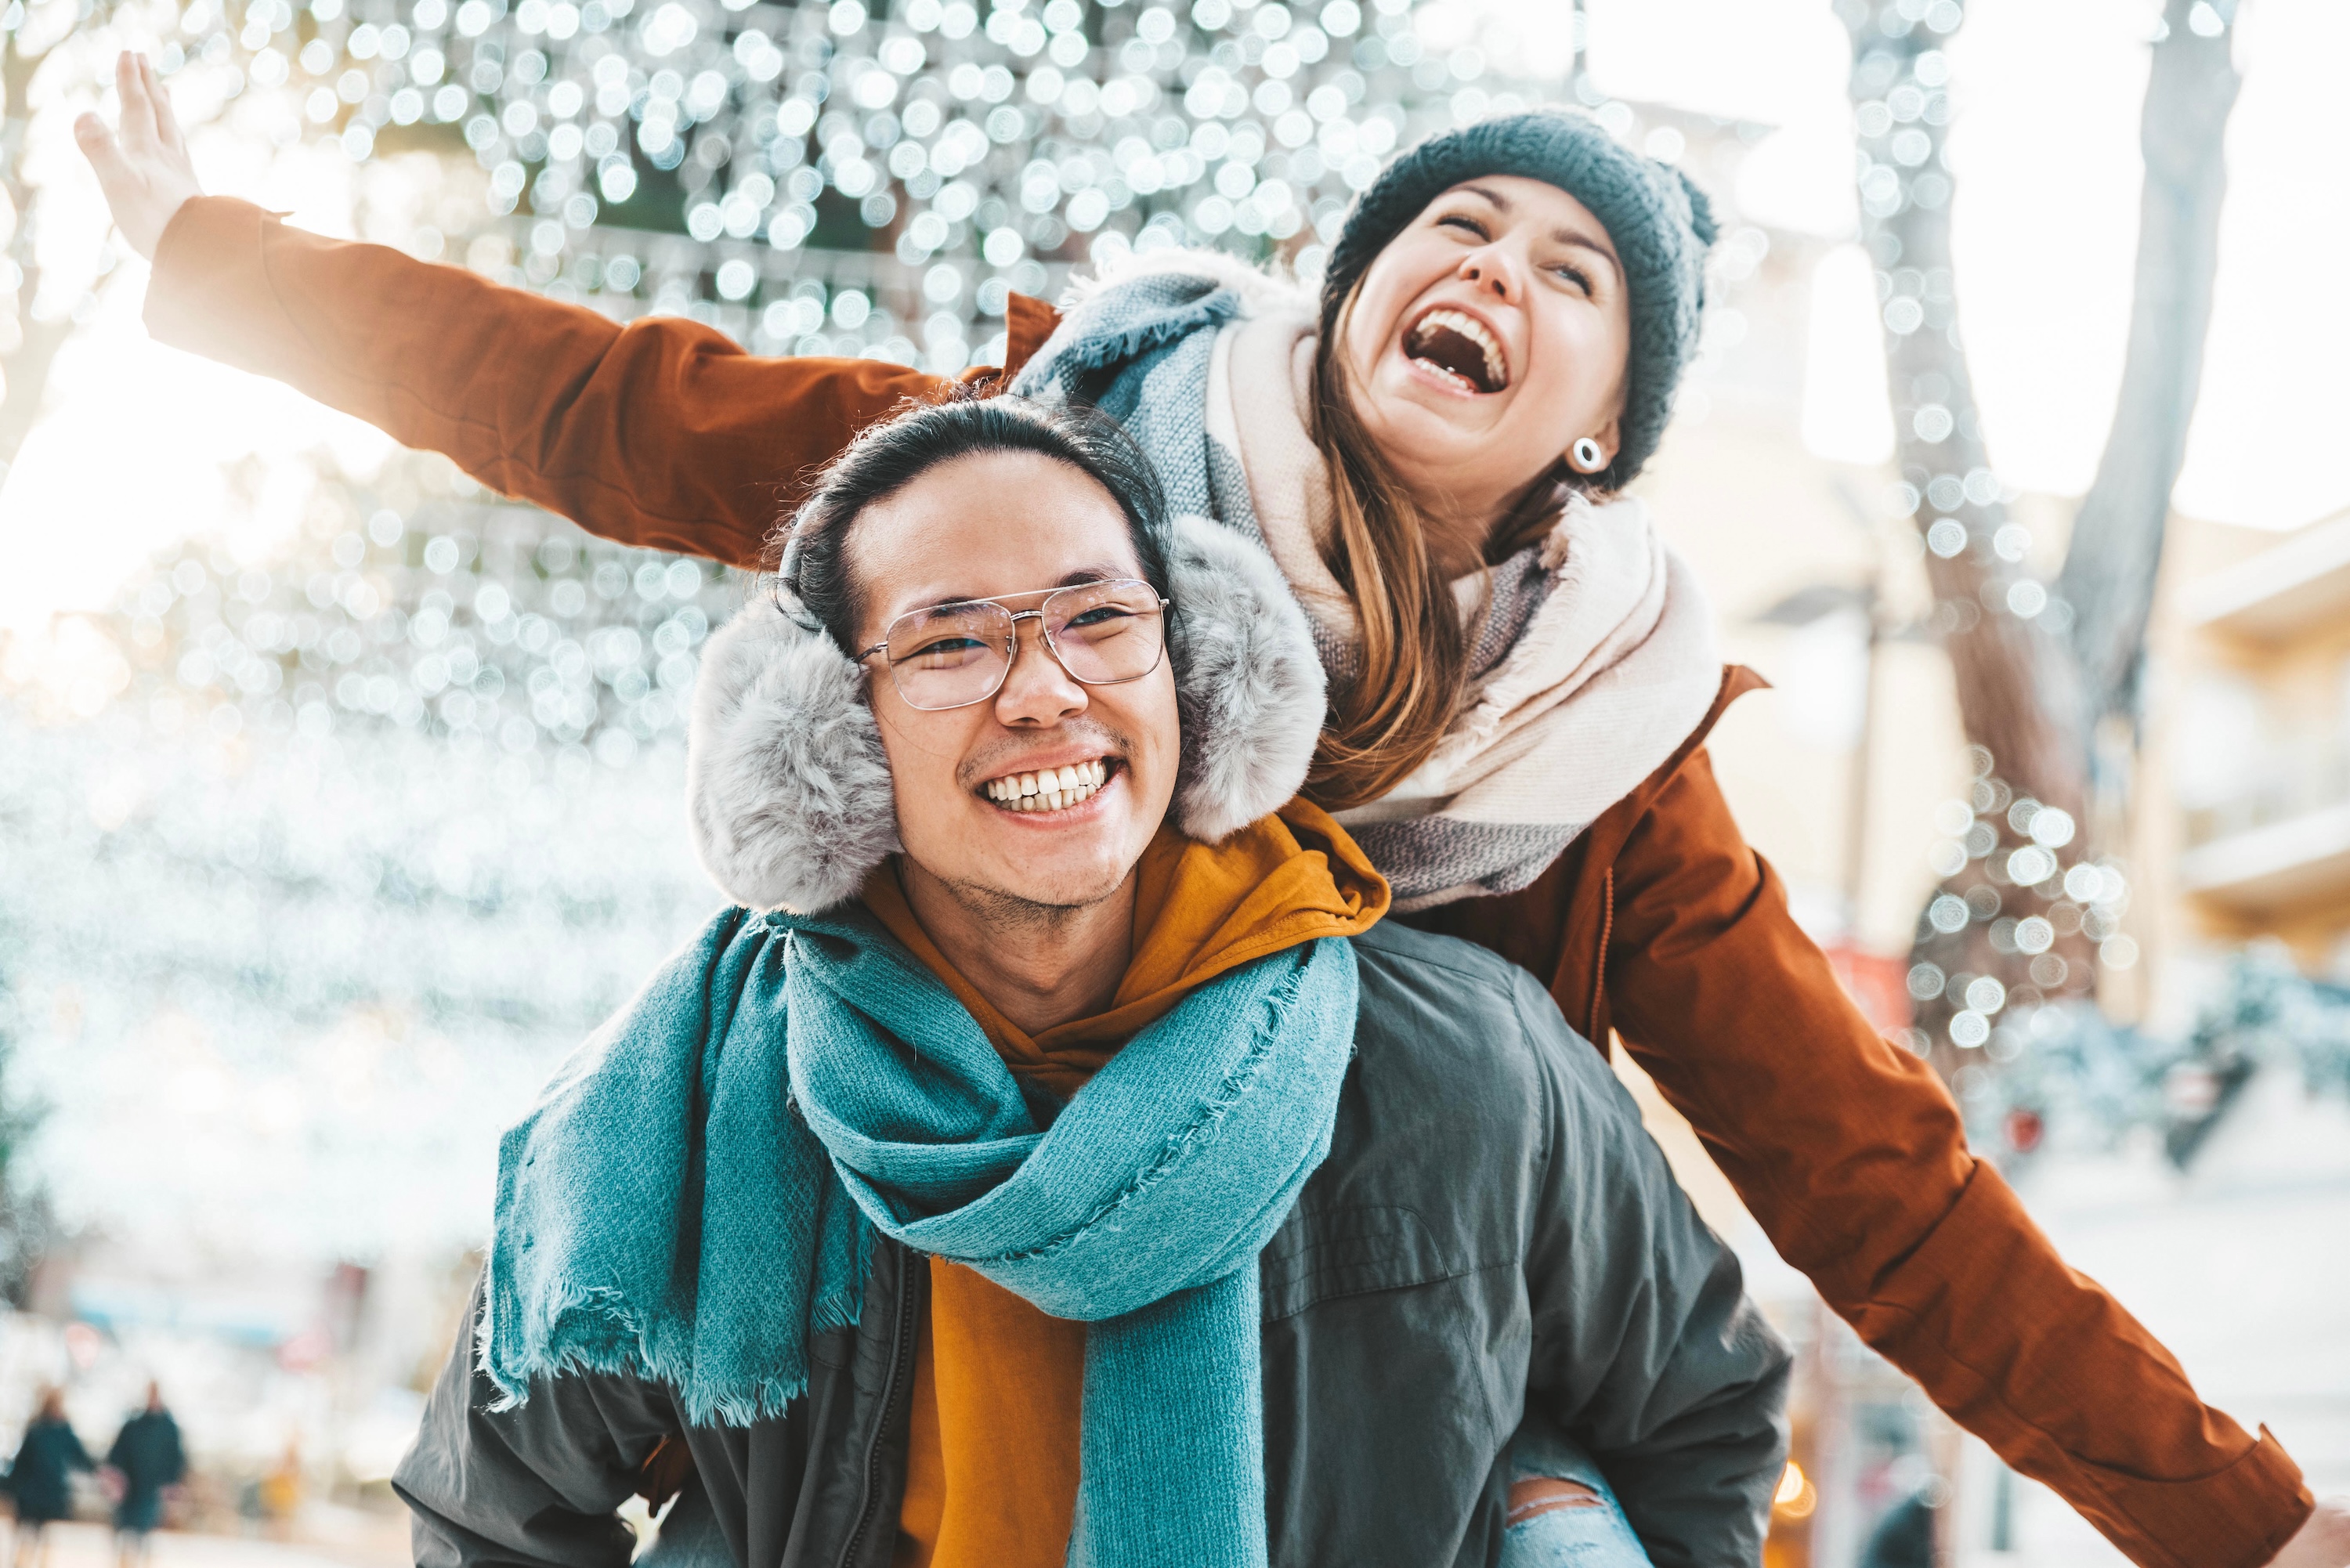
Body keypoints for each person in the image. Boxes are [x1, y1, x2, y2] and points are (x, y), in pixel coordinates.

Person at [78, 53, 2350, 1568]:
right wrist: (233, 276)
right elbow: (621, 408)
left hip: (1325, 1391)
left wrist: (2239, 1522)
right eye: (1454, 222)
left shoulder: (1599, 769)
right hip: (902, 1283)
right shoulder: (1043, 479)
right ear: (1361, 278)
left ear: (1596, 432)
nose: (1491, 270)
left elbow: (1886, 1193)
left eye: (1570, 278)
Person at [390, 395, 1791, 1567]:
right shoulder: (698, 1097)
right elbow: (488, 1509)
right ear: (832, 734)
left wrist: (1559, 1513)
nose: (1045, 689)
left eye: (1097, 619)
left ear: (1199, 667)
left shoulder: (1469, 1066)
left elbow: (1705, 1422)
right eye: (950, 640)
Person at [6, 1390, 92, 1568]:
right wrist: (13, 1487)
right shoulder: (36, 1430)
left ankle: (40, 1563)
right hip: (32, 1492)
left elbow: (80, 1456)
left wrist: (100, 1470)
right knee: (26, 1531)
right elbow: (22, 1462)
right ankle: (20, 1562)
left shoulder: (64, 1431)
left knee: (44, 1533)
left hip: (51, 1492)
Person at [104, 1384, 186, 1568]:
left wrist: (172, 1482)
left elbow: (176, 1459)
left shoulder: (169, 1428)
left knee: (144, 1532)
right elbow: (118, 1453)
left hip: (152, 1487)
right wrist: (114, 1477)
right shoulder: (133, 1425)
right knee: (125, 1531)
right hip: (130, 1487)